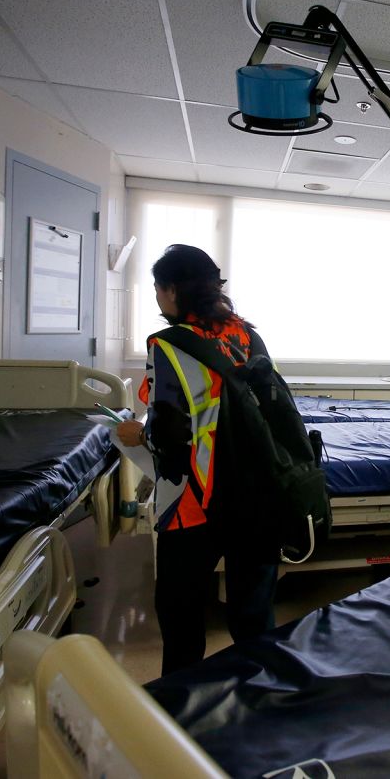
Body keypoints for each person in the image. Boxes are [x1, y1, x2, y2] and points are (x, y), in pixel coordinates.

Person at [116, 244, 279, 674]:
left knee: (181, 611)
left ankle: (182, 707)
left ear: (171, 290)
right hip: (256, 491)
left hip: (196, 499)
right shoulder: (247, 334)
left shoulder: (168, 346)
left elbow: (169, 434)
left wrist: (137, 433)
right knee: (254, 615)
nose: (156, 296)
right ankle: (262, 695)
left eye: (156, 287)